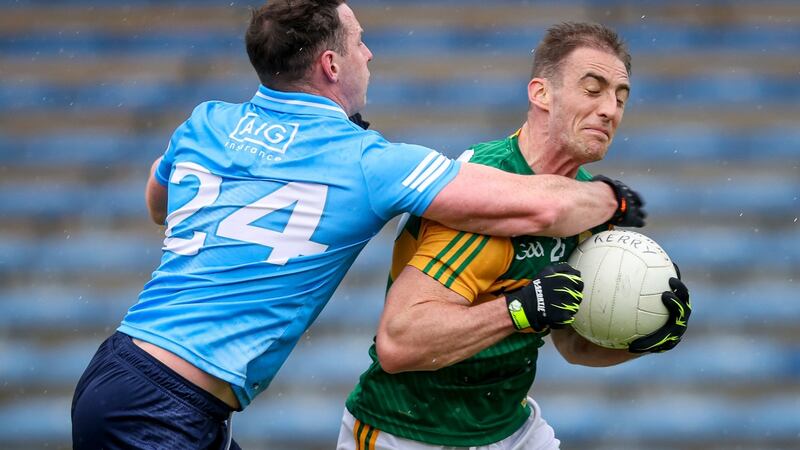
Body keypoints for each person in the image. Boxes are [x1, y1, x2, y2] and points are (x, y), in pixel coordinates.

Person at [70, 1, 646, 448]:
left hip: (126, 372)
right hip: (166, 406)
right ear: (331, 64)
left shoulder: (208, 121)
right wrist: (613, 200)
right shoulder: (367, 161)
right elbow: (540, 208)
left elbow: (159, 201)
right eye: (361, 42)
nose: (369, 54)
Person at [340, 22, 691, 450]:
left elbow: (573, 345)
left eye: (620, 97)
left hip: (512, 429)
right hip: (409, 429)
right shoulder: (482, 191)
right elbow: (399, 343)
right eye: (592, 88)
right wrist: (519, 311)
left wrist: (644, 338)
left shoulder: (590, 205)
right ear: (541, 92)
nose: (609, 110)